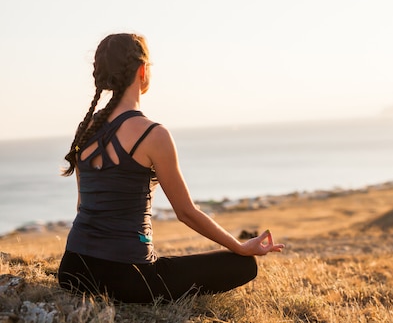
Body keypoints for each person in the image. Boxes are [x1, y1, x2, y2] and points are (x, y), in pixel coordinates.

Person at [57, 33, 284, 303]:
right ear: (142, 71)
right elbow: (186, 212)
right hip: (126, 278)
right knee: (243, 265)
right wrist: (240, 246)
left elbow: (82, 205)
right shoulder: (153, 134)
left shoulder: (86, 128)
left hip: (73, 270)